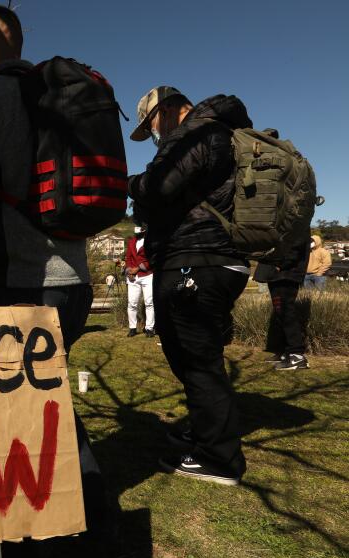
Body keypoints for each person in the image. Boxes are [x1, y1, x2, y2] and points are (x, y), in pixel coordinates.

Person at [0, 7, 117, 558]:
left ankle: (84, 520)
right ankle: (80, 519)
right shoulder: (52, 93)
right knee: (45, 395)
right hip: (72, 276)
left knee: (36, 402)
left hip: (26, 282)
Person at [128, 85, 253, 486]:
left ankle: (219, 457)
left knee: (197, 358)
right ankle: (206, 430)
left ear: (165, 110)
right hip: (215, 257)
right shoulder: (222, 133)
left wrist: (133, 185)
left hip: (196, 256)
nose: (154, 136)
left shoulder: (193, 134)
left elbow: (158, 187)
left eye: (150, 127)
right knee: (192, 353)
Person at [255, 234, 310, 371]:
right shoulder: (286, 218)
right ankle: (285, 352)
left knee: (286, 313)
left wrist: (281, 264)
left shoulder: (297, 217)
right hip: (279, 273)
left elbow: (294, 243)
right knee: (281, 313)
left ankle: (297, 356)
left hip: (286, 273)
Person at [125, 226, 155, 337]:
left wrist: (137, 268)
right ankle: (132, 328)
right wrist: (129, 271)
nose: (137, 233)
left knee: (149, 302)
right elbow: (128, 258)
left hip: (147, 275)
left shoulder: (150, 242)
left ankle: (149, 328)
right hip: (133, 276)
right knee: (132, 303)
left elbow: (152, 259)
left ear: (144, 231)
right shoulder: (131, 241)